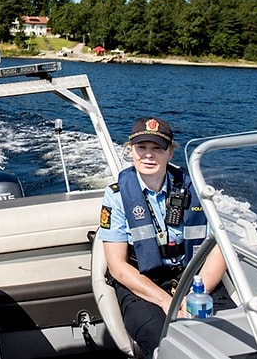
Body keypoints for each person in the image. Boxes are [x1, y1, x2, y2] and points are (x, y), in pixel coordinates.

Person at [97, 117, 234, 359]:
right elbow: (117, 267)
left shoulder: (196, 189)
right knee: (170, 347)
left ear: (170, 153)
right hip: (143, 284)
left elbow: (219, 248)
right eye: (142, 148)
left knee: (234, 338)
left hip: (195, 279)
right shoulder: (116, 196)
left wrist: (193, 296)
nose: (148, 156)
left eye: (157, 148)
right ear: (131, 151)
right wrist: (167, 302)